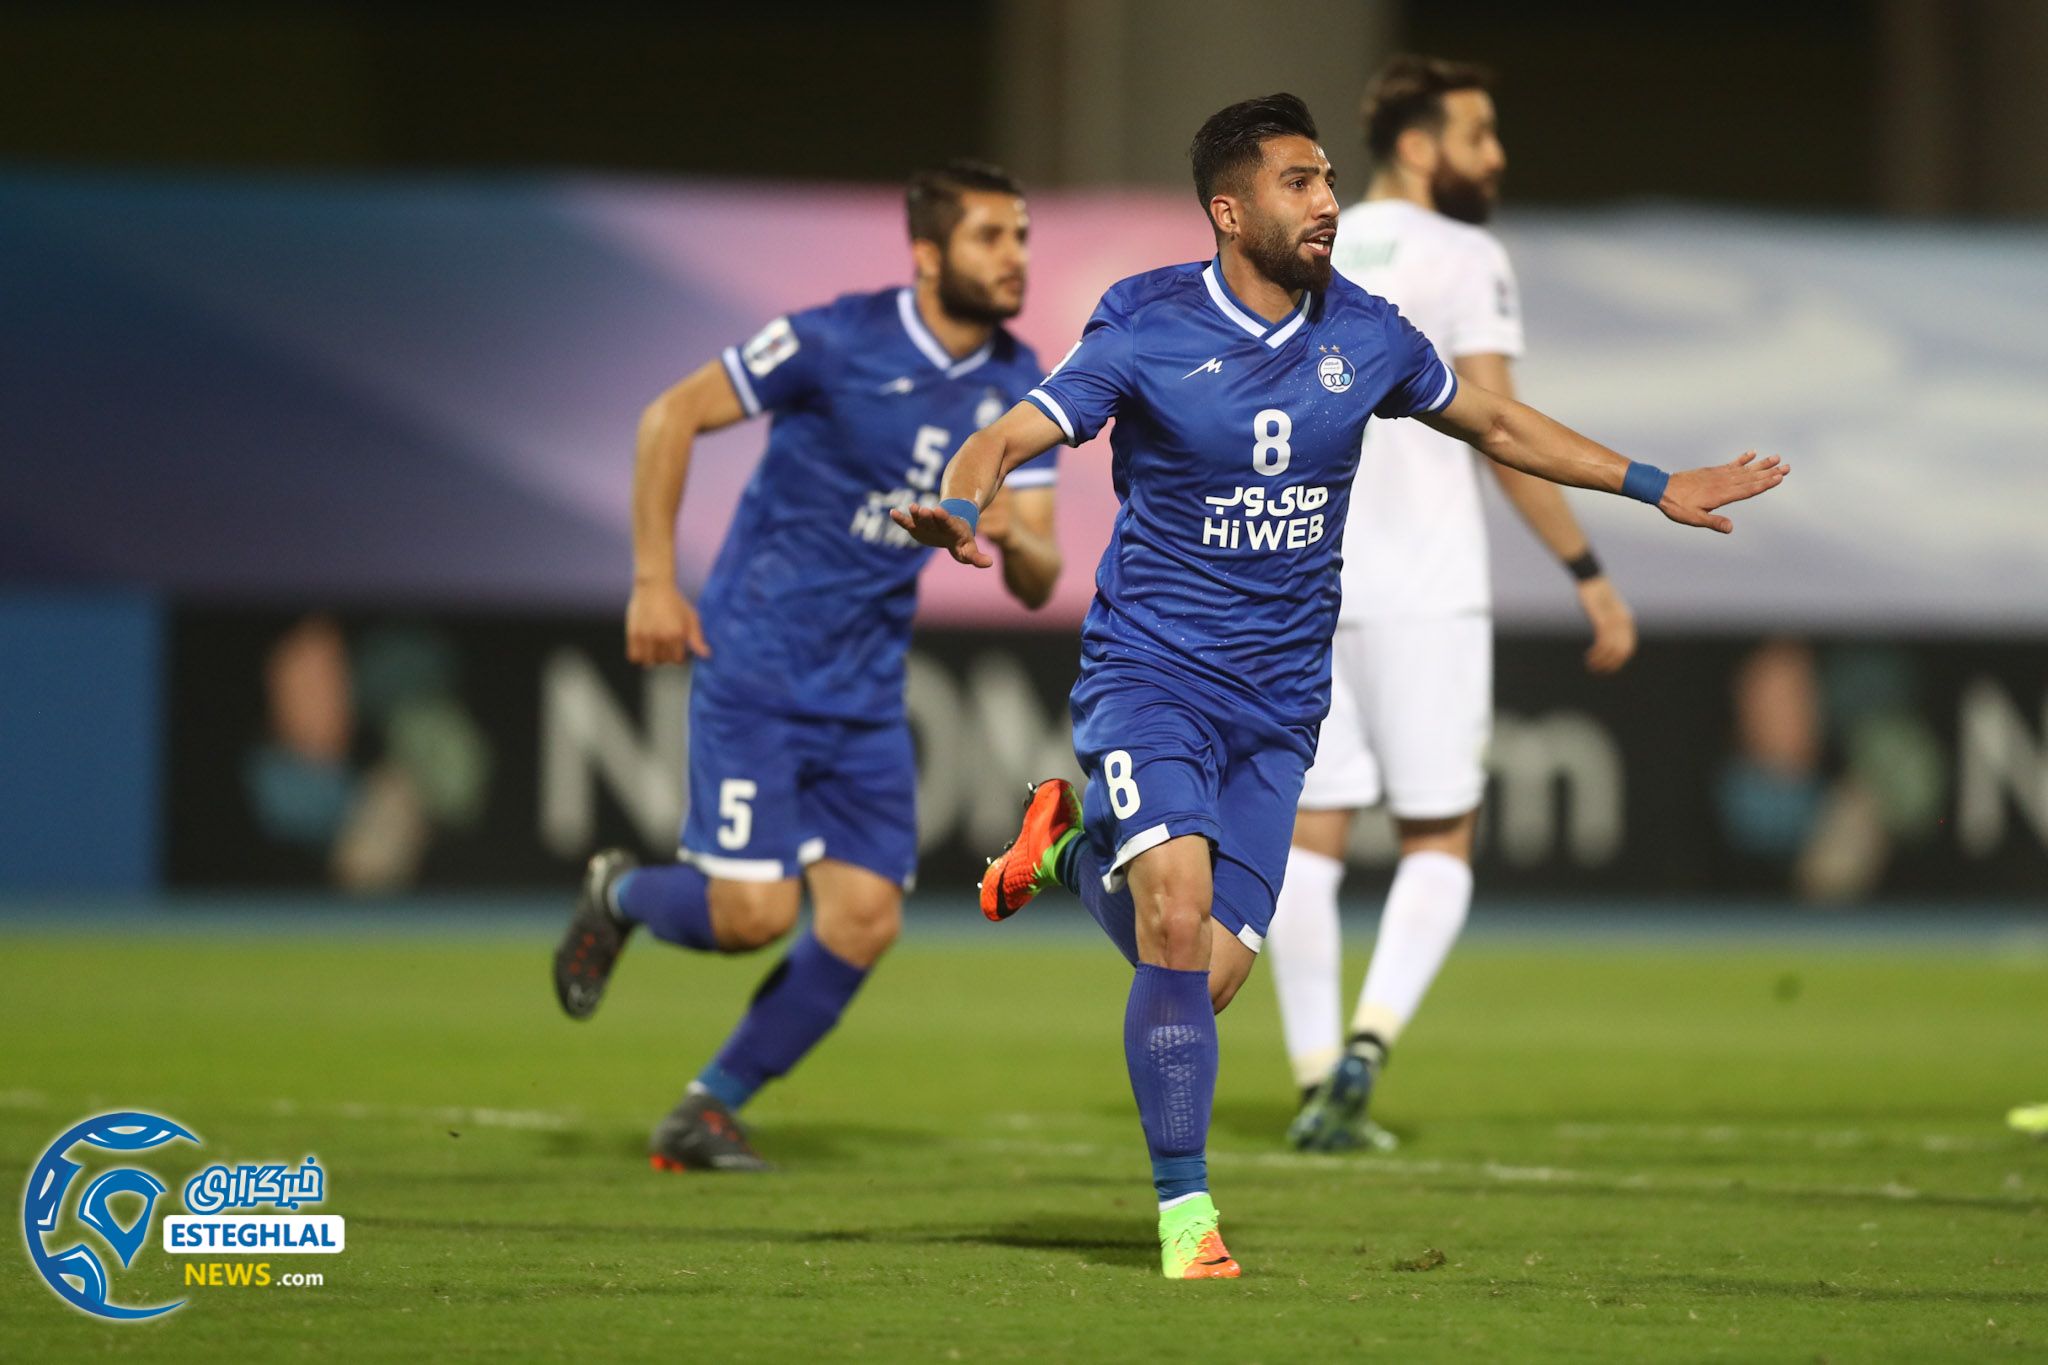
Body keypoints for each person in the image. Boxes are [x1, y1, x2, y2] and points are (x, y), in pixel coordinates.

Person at [895, 94, 1784, 1278]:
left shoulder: (1365, 332)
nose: (1325, 202)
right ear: (1228, 211)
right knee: (1172, 917)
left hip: (1278, 703)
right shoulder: (1145, 324)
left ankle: (1062, 851)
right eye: (1297, 183)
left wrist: (1652, 482)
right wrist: (960, 506)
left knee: (1204, 978)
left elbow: (1494, 421)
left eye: (1324, 179)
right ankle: (1184, 1216)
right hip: (1152, 671)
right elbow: (1005, 435)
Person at [552, 161, 1062, 1172]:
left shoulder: (1020, 379)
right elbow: (668, 417)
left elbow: (1039, 581)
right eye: (990, 237)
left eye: (1021, 236)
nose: (1014, 257)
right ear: (927, 255)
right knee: (752, 917)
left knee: (865, 920)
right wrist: (653, 582)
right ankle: (619, 895)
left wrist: (1014, 536)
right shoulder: (833, 339)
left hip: (866, 692)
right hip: (759, 663)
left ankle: (707, 1108)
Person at [1265, 55, 1639, 1154]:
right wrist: (1587, 571)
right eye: (1478, 134)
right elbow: (1502, 431)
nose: (1496, 156)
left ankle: (1307, 1076)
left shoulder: (1309, 242)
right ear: (1420, 145)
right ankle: (1366, 1044)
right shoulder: (1464, 254)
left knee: (1309, 838)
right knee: (1438, 837)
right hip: (1425, 587)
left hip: (1302, 580)